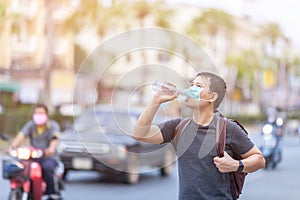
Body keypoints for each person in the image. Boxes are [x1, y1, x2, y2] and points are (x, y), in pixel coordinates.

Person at [133, 72, 265, 200]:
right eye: (191, 84)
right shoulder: (178, 126)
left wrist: (237, 165)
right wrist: (156, 101)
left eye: (198, 86)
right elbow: (139, 133)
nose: (191, 89)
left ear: (211, 97)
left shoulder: (228, 129)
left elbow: (259, 159)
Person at [9, 104, 61, 200]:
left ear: (47, 114)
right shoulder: (31, 125)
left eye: (41, 113)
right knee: (21, 167)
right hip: (33, 157)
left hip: (48, 157)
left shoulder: (53, 126)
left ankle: (50, 193)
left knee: (47, 167)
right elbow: (20, 137)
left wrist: (49, 150)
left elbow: (54, 143)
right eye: (36, 113)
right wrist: (12, 147)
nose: (38, 115)